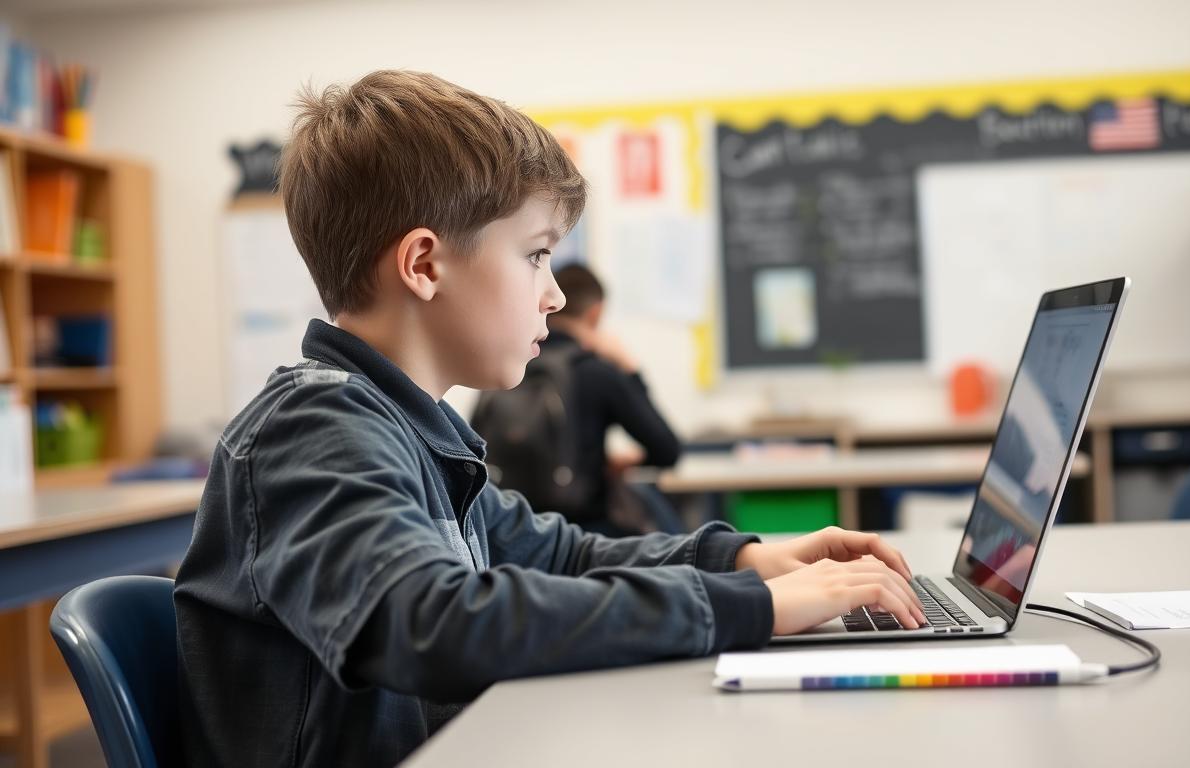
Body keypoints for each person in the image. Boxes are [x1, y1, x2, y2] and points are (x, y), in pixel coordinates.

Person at [173, 70, 926, 768]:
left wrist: (742, 562)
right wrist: (748, 607)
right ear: (425, 265)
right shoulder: (315, 429)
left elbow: (559, 557)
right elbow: (434, 623)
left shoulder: (408, 429)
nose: (555, 296)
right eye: (535, 256)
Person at [472, 263, 682, 535]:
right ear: (595, 314)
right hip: (585, 531)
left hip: (507, 528)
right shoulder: (594, 371)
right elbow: (667, 450)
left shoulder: (512, 365)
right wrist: (630, 370)